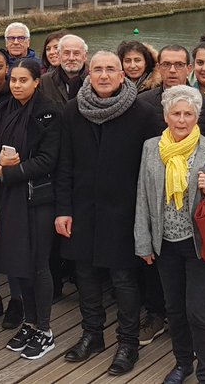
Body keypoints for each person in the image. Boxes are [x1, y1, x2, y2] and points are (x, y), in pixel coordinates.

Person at [56, 51, 163, 375]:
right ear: (89, 73)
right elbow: (64, 163)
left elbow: (153, 169)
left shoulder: (143, 113)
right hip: (83, 208)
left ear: (122, 75)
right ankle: (92, 334)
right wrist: (63, 209)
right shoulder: (73, 110)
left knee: (123, 279)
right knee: (85, 274)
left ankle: (128, 343)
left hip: (124, 210)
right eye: (98, 69)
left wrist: (146, 216)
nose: (104, 75)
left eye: (110, 69)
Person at [134, 85, 205, 384]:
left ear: (196, 117)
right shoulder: (151, 148)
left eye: (188, 114)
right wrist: (143, 242)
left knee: (198, 311)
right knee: (174, 309)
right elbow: (143, 196)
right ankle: (184, 364)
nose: (181, 120)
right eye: (176, 113)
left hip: (201, 244)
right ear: (166, 116)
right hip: (166, 244)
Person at [0, 59, 61, 360]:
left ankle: (45, 329)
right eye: (14, 80)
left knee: (38, 263)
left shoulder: (49, 112)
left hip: (37, 197)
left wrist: (8, 171)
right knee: (18, 261)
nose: (17, 85)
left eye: (23, 80)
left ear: (36, 81)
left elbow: (48, 160)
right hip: (10, 197)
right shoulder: (4, 110)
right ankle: (29, 322)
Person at [140, 45, 205, 141]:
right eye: (166, 64)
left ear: (189, 69)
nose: (172, 70)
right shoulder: (142, 102)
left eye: (179, 65)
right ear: (158, 68)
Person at [40, 34, 87, 107]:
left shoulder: (93, 80)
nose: (71, 58)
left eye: (76, 53)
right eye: (66, 53)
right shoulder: (45, 81)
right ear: (59, 55)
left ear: (85, 56)